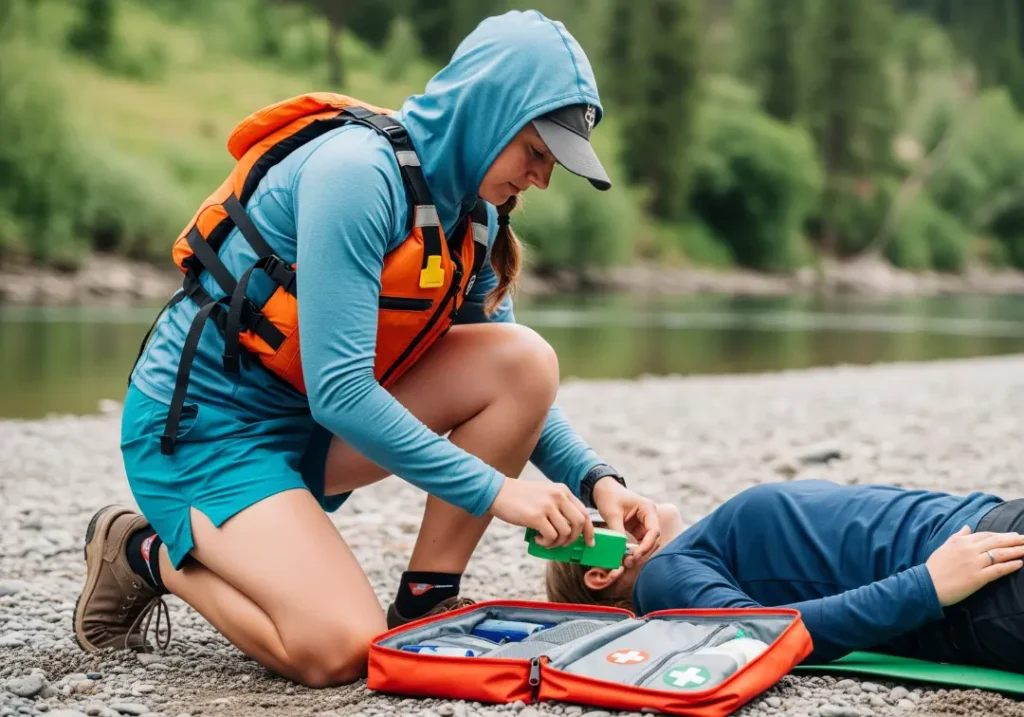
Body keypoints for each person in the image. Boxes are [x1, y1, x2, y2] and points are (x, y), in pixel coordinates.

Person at [72, 11, 663, 687]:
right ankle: (142, 548)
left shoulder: (473, 214)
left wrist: (599, 480)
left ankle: (425, 601)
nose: (542, 178)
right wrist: (502, 493)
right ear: (489, 112)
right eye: (536, 151)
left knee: (525, 357)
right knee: (340, 650)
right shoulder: (359, 175)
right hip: (207, 433)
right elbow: (342, 390)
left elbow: (513, 384)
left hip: (310, 433)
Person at [545, 479, 1024, 672]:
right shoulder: (663, 577)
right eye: (600, 516)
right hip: (975, 584)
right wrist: (928, 585)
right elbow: (769, 634)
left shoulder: (702, 550)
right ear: (603, 573)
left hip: (982, 531)